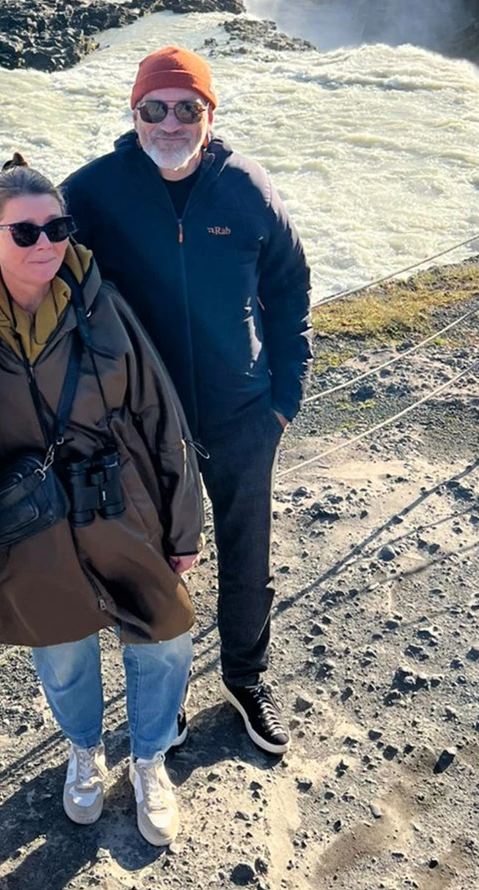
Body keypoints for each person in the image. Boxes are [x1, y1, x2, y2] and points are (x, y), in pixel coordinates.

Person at [62, 47, 312, 757]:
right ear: (133, 112)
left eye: (187, 107)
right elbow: (33, 268)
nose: (170, 122)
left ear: (211, 113)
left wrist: (284, 398)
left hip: (242, 412)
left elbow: (291, 287)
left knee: (246, 551)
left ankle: (245, 676)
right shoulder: (91, 194)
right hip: (140, 423)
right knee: (150, 562)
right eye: (155, 108)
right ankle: (162, 703)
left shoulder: (249, 189)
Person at [0, 156, 203, 846]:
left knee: (163, 636)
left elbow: (163, 415)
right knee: (62, 651)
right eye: (24, 232)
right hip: (30, 522)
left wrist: (183, 525)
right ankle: (85, 751)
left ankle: (152, 758)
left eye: (57, 227)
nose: (44, 243)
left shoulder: (104, 303)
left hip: (121, 503)